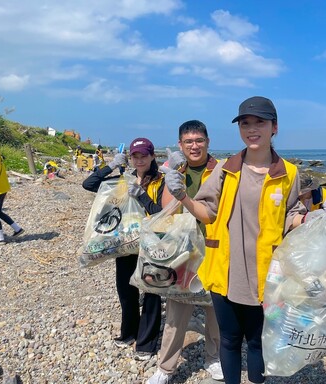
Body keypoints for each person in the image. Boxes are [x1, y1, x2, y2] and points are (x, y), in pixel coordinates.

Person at [162, 97, 312, 384]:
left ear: (274, 127)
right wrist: (182, 196)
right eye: (245, 123)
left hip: (267, 274)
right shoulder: (226, 169)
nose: (252, 129)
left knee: (258, 342)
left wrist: (306, 220)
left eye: (260, 123)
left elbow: (292, 214)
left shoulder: (289, 173)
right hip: (225, 271)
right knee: (229, 340)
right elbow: (207, 214)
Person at [148, 120, 222, 384]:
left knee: (215, 309)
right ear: (180, 145)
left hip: (215, 247)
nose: (194, 146)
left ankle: (214, 359)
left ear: (208, 142)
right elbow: (167, 208)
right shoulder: (177, 169)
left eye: (199, 140)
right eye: (188, 141)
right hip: (183, 250)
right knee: (177, 308)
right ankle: (165, 368)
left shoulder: (221, 170)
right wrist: (171, 179)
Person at [82, 138, 164, 361]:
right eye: (135, 156)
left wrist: (142, 195)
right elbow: (88, 184)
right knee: (126, 292)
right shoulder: (122, 179)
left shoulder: (160, 181)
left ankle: (146, 343)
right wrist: (110, 165)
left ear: (152, 156)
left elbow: (162, 212)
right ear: (129, 157)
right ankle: (129, 332)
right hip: (124, 244)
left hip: (151, 246)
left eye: (144, 155)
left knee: (151, 293)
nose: (139, 160)